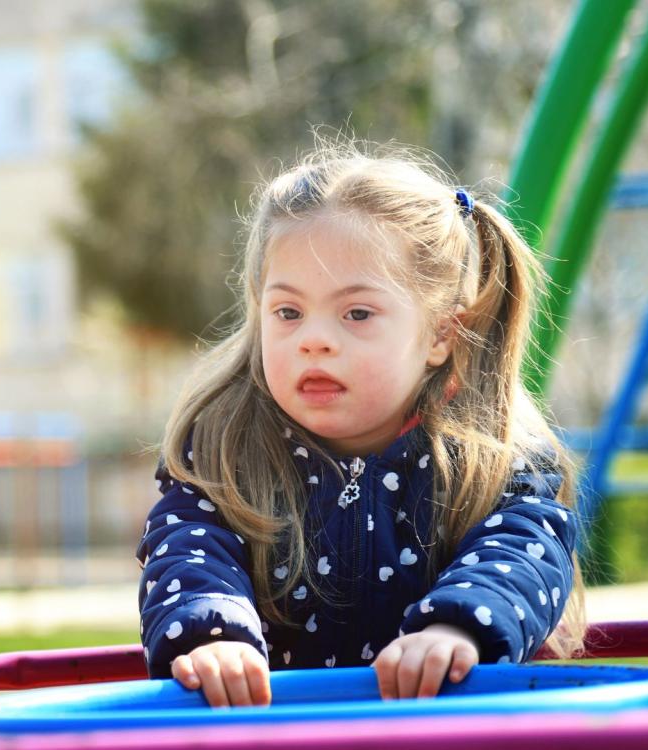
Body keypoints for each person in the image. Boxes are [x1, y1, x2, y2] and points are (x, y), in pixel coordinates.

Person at [135, 143, 585, 708]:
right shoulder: (224, 449)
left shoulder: (496, 461)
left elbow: (524, 549)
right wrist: (212, 637)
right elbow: (188, 548)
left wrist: (457, 629)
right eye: (288, 312)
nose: (313, 339)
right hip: (277, 736)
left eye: (357, 313)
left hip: (439, 732)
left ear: (441, 335)